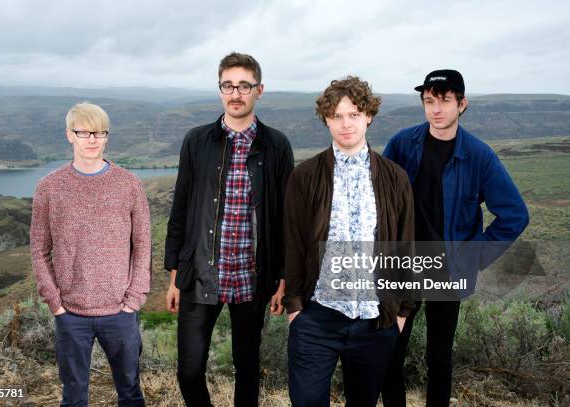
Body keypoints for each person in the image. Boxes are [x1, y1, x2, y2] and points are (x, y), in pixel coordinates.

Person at [381, 69, 529, 406]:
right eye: (429, 101)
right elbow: (379, 197)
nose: (436, 109)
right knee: (389, 351)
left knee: (439, 357)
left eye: (445, 101)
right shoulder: (404, 144)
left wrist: (475, 257)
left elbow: (515, 215)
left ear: (461, 104)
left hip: (449, 268)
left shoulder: (479, 155)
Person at [164, 52, 294, 407]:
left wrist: (282, 277)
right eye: (228, 85)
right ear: (220, 89)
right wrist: (175, 272)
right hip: (201, 273)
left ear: (259, 90)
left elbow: (284, 218)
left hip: (252, 277)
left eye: (244, 86)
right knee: (189, 371)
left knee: (247, 367)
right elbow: (181, 210)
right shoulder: (197, 141)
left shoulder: (277, 145)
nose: (235, 93)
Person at [282, 76, 415, 407]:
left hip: (374, 321)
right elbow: (293, 243)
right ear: (326, 119)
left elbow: (406, 245)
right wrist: (296, 308)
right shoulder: (306, 176)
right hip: (317, 317)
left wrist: (401, 312)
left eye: (354, 114)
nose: (346, 124)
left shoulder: (394, 177)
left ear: (368, 115)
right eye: (337, 116)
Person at [30, 102, 151, 406]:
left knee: (130, 392)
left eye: (99, 132)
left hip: (120, 313)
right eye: (83, 132)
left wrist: (134, 298)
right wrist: (54, 302)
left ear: (106, 136)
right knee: (73, 396)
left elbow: (143, 245)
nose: (92, 139)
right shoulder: (49, 187)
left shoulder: (129, 184)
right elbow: (39, 248)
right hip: (70, 314)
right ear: (69, 135)